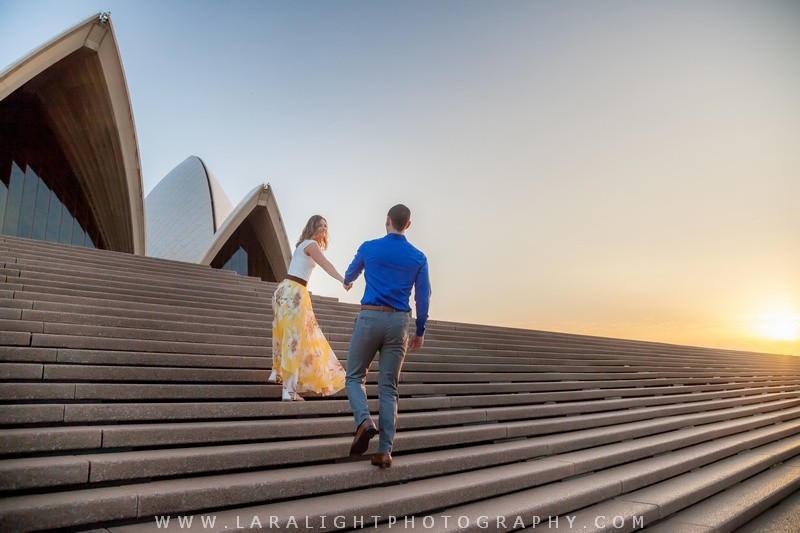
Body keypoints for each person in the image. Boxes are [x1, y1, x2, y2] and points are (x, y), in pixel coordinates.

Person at [344, 204, 431, 468]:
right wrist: (420, 331)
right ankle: (384, 451)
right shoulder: (418, 257)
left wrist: (348, 280)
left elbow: (350, 273)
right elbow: (423, 297)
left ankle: (363, 421)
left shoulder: (369, 247)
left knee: (354, 376)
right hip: (399, 323)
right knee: (389, 388)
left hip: (370, 317)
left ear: (387, 221)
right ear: (408, 224)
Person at [269, 215, 351, 401]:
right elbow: (326, 265)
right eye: (320, 225)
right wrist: (342, 280)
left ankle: (289, 388)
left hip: (287, 290)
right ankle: (289, 391)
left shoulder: (302, 245)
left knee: (292, 338)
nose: (323, 228)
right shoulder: (311, 244)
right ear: (312, 226)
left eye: (325, 226)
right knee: (293, 339)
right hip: (294, 292)